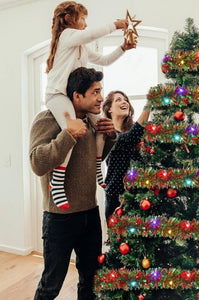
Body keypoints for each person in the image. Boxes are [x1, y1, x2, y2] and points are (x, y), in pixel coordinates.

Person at [30, 67, 117, 300]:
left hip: (90, 213)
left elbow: (89, 161)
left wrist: (109, 137)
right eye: (95, 92)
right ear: (77, 96)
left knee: (90, 279)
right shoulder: (47, 119)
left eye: (101, 91)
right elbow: (37, 163)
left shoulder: (91, 121)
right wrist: (67, 134)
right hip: (60, 218)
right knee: (51, 285)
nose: (101, 97)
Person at [45, 1, 136, 210]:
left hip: (72, 96)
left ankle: (97, 168)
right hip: (57, 95)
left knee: (102, 126)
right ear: (69, 19)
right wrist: (115, 25)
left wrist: (123, 48)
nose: (85, 24)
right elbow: (89, 35)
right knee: (73, 128)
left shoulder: (81, 47)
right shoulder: (67, 36)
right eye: (83, 19)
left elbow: (103, 60)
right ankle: (57, 181)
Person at [102, 91, 151, 220]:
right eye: (118, 100)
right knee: (118, 239)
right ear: (109, 109)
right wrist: (149, 105)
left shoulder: (137, 130)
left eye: (126, 100)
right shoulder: (107, 133)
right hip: (116, 199)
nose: (124, 102)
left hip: (140, 197)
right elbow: (128, 139)